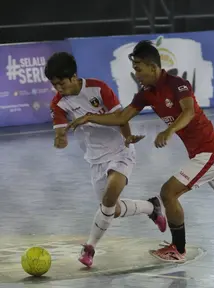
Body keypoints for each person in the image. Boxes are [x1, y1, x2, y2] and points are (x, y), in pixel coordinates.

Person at [66, 40, 214, 263]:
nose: (136, 74)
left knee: (168, 193)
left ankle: (178, 249)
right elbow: (121, 116)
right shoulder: (146, 93)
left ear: (153, 66)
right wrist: (90, 117)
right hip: (207, 154)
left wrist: (169, 132)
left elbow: (188, 112)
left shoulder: (177, 83)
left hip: (210, 152)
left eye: (138, 69)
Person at [46, 52, 167, 267]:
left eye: (61, 83)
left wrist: (128, 137)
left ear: (74, 77)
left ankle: (89, 247)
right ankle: (151, 207)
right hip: (94, 159)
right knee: (111, 208)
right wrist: (60, 139)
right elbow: (59, 133)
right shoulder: (58, 103)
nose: (58, 88)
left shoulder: (98, 88)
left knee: (110, 197)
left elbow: (120, 117)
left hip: (120, 150)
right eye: (54, 85)